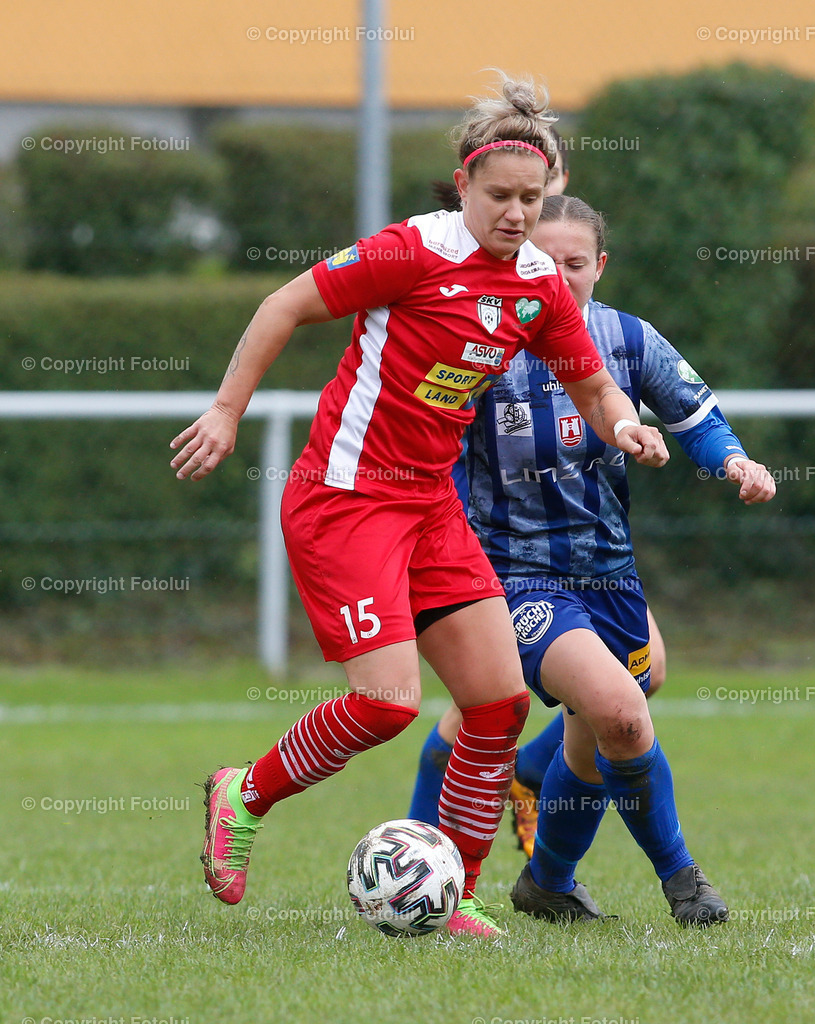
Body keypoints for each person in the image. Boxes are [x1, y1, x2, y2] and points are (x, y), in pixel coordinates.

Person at [168, 75, 670, 939]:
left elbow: (588, 380)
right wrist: (224, 410)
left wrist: (624, 424)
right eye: (500, 196)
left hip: (430, 505)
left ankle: (456, 893)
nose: (516, 213)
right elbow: (282, 303)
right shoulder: (411, 252)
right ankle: (241, 793)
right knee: (389, 704)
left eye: (532, 197)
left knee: (496, 703)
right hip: (345, 499)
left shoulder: (541, 284)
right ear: (465, 185)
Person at [413, 194, 776, 926]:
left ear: (598, 266)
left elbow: (694, 414)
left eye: (575, 263)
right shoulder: (481, 344)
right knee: (618, 710)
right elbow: (432, 450)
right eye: (543, 262)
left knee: (606, 709)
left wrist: (733, 461)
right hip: (510, 577)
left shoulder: (624, 338)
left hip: (608, 573)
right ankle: (681, 879)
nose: (560, 275)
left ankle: (545, 878)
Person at [409, 134, 669, 857]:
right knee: (488, 707)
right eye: (509, 193)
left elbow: (619, 395)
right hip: (488, 552)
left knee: (640, 676)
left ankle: (522, 787)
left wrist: (645, 432)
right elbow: (438, 434)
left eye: (573, 263)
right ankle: (429, 860)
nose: (556, 272)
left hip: (594, 563)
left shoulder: (596, 326)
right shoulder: (470, 311)